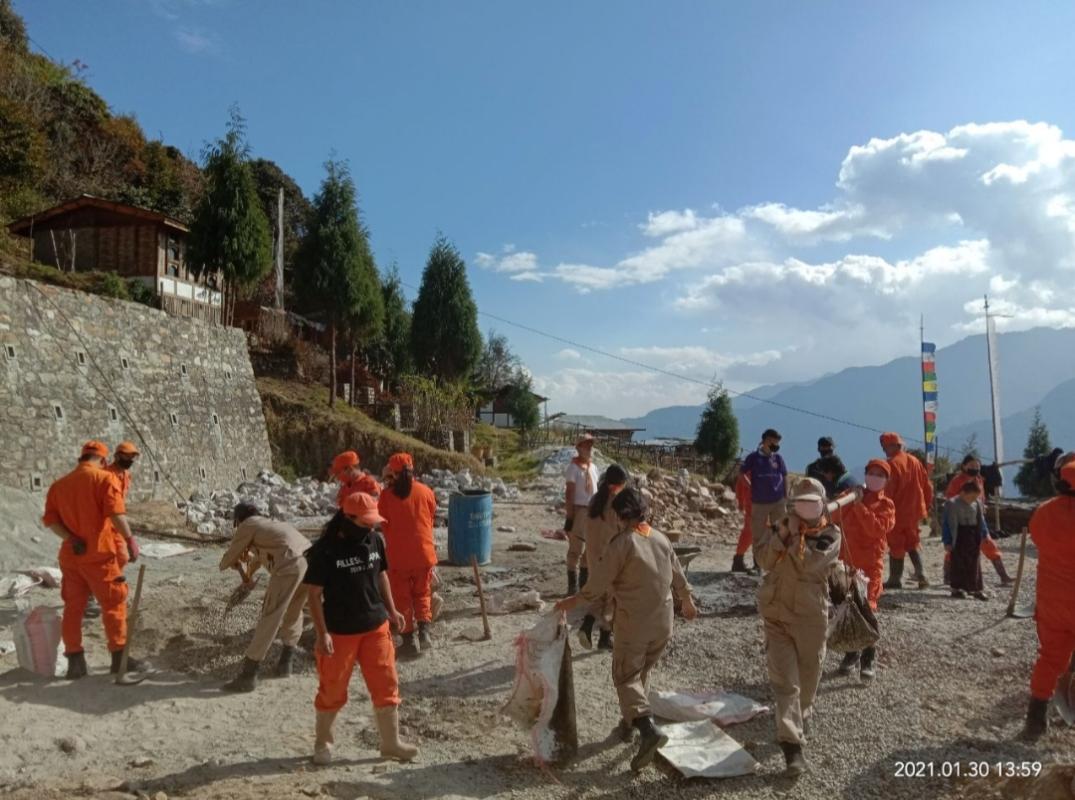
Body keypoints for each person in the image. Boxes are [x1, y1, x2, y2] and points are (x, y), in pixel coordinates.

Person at [556, 487, 697, 772]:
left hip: (635, 623)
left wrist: (571, 602)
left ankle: (647, 729)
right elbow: (679, 575)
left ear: (620, 516)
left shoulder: (622, 544)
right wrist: (687, 601)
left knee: (625, 675)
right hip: (664, 622)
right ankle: (629, 723)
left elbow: (596, 586)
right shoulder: (660, 538)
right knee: (641, 671)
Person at [304, 492, 417, 765]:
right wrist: (322, 633)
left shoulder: (376, 539)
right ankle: (323, 743)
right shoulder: (325, 550)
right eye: (365, 523)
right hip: (340, 632)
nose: (371, 527)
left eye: (373, 522)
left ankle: (390, 743)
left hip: (375, 627)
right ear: (348, 518)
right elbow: (313, 595)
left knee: (386, 683)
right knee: (332, 688)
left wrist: (391, 610)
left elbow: (381, 576)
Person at [754, 477, 841, 778]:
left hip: (809, 617)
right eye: (799, 503)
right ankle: (792, 748)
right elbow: (764, 560)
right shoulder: (781, 526)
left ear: (820, 505)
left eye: (811, 503)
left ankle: (804, 713)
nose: (805, 509)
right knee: (784, 682)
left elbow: (810, 565)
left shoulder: (830, 535)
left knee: (808, 676)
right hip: (776, 613)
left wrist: (793, 537)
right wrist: (781, 535)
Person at [42, 441, 146, 679]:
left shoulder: (59, 486)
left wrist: (71, 537)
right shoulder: (103, 479)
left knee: (72, 609)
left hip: (71, 556)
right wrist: (130, 540)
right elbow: (116, 514)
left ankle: (75, 663)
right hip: (99, 555)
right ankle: (119, 659)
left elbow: (51, 521)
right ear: (103, 459)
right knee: (113, 605)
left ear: (82, 457)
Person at [218, 502, 311, 692]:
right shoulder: (270, 528)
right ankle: (286, 663)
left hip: (290, 565)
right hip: (310, 564)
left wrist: (229, 562)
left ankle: (249, 675)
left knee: (271, 615)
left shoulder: (249, 524)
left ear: (239, 519)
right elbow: (255, 563)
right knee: (294, 611)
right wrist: (246, 576)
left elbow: (228, 558)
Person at [1023, 454, 1075, 740]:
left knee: (1049, 659)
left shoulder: (1043, 512)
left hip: (1052, 603)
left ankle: (1035, 722)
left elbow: (1038, 539)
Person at [831, 460, 895, 681]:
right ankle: (852, 653)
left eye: (880, 474)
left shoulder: (887, 505)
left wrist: (859, 506)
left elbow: (875, 529)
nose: (875, 477)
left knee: (867, 611)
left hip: (870, 569)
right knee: (847, 609)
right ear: (865, 474)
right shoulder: (851, 495)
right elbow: (831, 516)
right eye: (872, 473)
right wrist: (848, 498)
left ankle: (868, 657)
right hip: (846, 566)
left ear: (886, 480)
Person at [378, 452, 438, 659]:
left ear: (392, 474)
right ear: (412, 470)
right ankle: (425, 633)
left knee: (401, 598)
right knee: (422, 594)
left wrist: (387, 482)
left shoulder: (386, 496)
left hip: (399, 558)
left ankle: (408, 641)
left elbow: (383, 524)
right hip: (424, 554)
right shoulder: (426, 491)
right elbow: (430, 518)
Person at [576, 464, 628, 650]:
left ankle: (589, 626)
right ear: (616, 485)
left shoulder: (594, 501)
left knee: (599, 594)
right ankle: (604, 635)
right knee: (612, 598)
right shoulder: (617, 505)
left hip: (592, 556)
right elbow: (624, 532)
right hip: (609, 557)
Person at [944, 456, 1013, 587]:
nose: (975, 468)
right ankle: (947, 576)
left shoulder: (979, 480)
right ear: (964, 466)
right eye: (972, 466)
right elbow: (950, 499)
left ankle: (1003, 576)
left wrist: (982, 506)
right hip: (961, 519)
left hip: (978, 518)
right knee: (956, 547)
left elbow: (981, 498)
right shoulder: (957, 481)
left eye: (977, 466)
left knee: (988, 543)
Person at [880, 432, 934, 589]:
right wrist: (926, 505)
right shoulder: (915, 461)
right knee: (913, 542)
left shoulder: (890, 465)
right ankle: (922, 574)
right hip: (915, 510)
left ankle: (895, 579)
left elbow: (887, 492)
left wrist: (881, 510)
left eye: (884, 446)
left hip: (898, 511)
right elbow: (927, 486)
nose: (884, 450)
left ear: (893, 446)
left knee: (896, 544)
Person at [564, 434, 600, 596]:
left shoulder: (593, 467)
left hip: (593, 511)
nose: (589, 449)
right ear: (579, 448)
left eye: (590, 446)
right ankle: (572, 586)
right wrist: (570, 517)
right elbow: (570, 493)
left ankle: (584, 585)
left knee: (591, 548)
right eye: (586, 446)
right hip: (580, 511)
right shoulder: (573, 468)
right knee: (576, 549)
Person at [941, 482, 990, 600]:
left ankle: (976, 589)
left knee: (974, 562)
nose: (973, 499)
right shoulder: (951, 503)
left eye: (975, 497)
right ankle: (957, 589)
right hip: (958, 536)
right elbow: (946, 524)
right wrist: (947, 541)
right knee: (958, 563)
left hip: (972, 535)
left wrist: (985, 534)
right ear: (963, 493)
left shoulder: (977, 503)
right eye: (972, 496)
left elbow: (981, 519)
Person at [741, 429, 788, 547]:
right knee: (758, 532)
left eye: (777, 443)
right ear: (766, 441)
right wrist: (750, 486)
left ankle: (778, 558)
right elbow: (741, 474)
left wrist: (786, 495)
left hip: (778, 501)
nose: (776, 445)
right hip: (760, 501)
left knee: (781, 530)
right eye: (774, 442)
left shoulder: (778, 458)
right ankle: (758, 560)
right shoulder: (753, 457)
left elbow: (785, 476)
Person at [106, 441, 141, 569]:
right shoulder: (107, 476)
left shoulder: (126, 476)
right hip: (102, 525)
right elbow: (114, 510)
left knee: (121, 557)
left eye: (132, 457)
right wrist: (130, 539)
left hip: (115, 525)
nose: (130, 460)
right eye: (127, 456)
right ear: (117, 456)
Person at [732, 467, 756, 573]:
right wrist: (741, 502)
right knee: (750, 533)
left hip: (762, 505)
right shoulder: (749, 470)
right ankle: (740, 560)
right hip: (754, 504)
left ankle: (740, 560)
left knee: (755, 533)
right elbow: (740, 484)